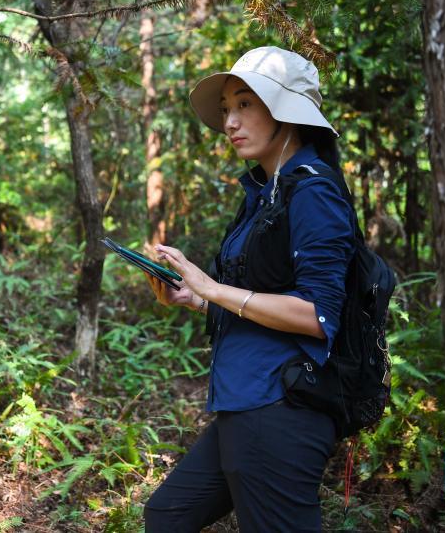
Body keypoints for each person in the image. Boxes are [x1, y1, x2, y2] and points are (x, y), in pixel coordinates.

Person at [143, 46, 357, 532]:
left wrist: (214, 289)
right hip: (245, 403)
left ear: (287, 113)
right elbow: (256, 297)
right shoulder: (267, 194)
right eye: (226, 109)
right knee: (166, 515)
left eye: (246, 104)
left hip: (279, 409)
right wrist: (193, 296)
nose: (230, 122)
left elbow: (318, 315)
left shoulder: (313, 191)